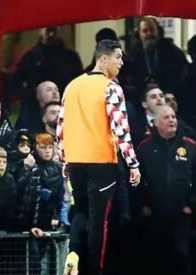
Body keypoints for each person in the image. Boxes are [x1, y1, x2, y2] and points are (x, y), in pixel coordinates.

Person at [57, 39, 141, 275]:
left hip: (75, 161)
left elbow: (61, 127)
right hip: (101, 162)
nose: (122, 63)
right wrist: (133, 164)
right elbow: (121, 129)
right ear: (103, 59)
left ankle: (73, 255)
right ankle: (95, 269)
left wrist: (65, 159)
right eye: (118, 57)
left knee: (81, 212)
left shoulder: (71, 86)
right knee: (99, 221)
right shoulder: (111, 87)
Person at [136, 105, 196, 275]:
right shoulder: (144, 148)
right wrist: (143, 205)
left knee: (181, 257)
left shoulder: (189, 146)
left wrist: (191, 204)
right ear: (156, 123)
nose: (172, 120)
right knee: (154, 260)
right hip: (153, 215)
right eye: (166, 117)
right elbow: (135, 180)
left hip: (180, 216)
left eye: (173, 117)